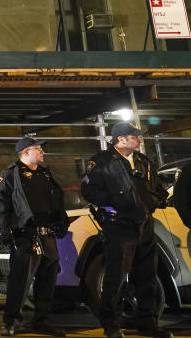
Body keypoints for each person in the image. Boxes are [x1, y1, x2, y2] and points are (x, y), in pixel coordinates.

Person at [81, 122, 170, 338]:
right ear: (120, 139)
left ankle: (148, 324)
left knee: (147, 277)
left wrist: (154, 201)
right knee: (115, 279)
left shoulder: (143, 162)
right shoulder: (102, 161)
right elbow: (89, 191)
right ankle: (111, 325)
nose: (139, 140)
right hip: (119, 227)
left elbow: (159, 189)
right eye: (135, 136)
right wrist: (115, 202)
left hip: (145, 226)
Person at [0, 136, 69, 337]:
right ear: (26, 152)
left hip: (47, 235)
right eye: (38, 148)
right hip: (25, 236)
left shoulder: (45, 174)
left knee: (47, 280)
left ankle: (41, 320)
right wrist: (7, 230)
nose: (42, 152)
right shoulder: (11, 174)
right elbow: (1, 205)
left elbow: (57, 199)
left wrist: (61, 221)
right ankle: (11, 321)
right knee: (20, 280)